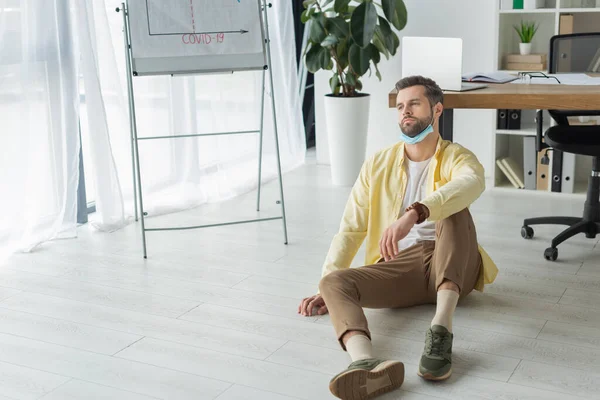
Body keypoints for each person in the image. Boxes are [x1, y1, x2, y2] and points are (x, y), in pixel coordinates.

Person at [297, 75, 498, 400]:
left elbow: (470, 184)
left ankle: (441, 330)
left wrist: (415, 213)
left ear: (436, 110)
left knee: (453, 210)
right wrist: (325, 282)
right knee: (333, 283)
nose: (405, 111)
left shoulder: (458, 157)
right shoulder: (377, 163)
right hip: (403, 267)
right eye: (400, 106)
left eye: (414, 103)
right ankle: (365, 364)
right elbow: (351, 228)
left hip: (454, 259)